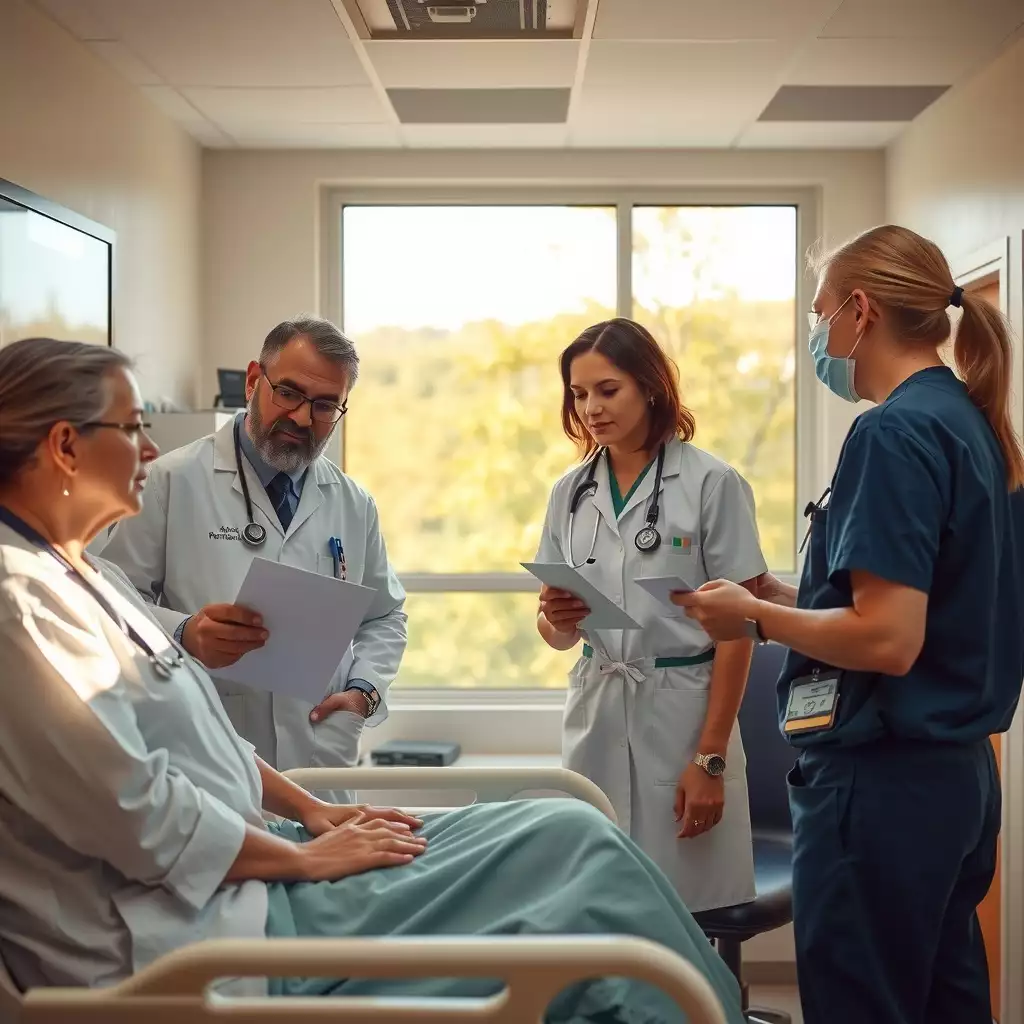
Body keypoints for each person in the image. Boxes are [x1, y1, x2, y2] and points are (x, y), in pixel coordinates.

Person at [0, 336, 745, 1024]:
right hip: (217, 916)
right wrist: (300, 856)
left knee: (569, 827)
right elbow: (138, 813)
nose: (149, 446)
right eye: (132, 428)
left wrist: (313, 812)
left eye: (327, 404)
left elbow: (206, 732)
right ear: (65, 445)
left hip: (264, 845)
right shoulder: (22, 607)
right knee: (579, 881)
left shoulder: (87, 576)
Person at [676, 225, 1024, 1024]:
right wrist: (782, 593)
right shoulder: (970, 422)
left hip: (882, 784)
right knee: (943, 1002)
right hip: (956, 780)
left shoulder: (893, 432)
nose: (816, 332)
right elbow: (927, 607)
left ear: (859, 312)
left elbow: (888, 639)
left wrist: (755, 619)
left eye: (818, 311)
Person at [100, 317, 406, 794]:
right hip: (209, 758)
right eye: (288, 393)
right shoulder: (170, 481)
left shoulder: (353, 502)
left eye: (325, 405)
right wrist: (183, 632)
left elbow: (385, 616)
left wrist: (363, 693)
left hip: (320, 758)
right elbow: (108, 600)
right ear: (252, 381)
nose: (302, 417)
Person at [533, 318, 768, 913]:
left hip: (683, 717)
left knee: (684, 913)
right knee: (598, 906)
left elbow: (738, 632)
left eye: (607, 390)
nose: (591, 408)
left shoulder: (712, 483)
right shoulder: (569, 492)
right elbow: (556, 635)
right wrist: (557, 619)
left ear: (650, 386)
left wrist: (709, 758)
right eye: (579, 394)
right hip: (596, 707)